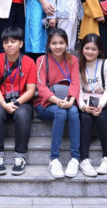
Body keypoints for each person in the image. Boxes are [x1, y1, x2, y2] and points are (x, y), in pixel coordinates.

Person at [0, 27, 37, 176]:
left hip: (22, 101)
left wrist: (16, 103)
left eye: (13, 41)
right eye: (6, 42)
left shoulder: (29, 62)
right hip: (0, 100)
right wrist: (3, 104)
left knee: (22, 115)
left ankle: (20, 157)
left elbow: (31, 90)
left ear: (21, 44)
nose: (9, 45)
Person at [35, 28, 81, 178]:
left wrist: (71, 101)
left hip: (68, 101)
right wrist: (58, 101)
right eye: (54, 43)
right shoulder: (41, 60)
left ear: (66, 43)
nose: (58, 46)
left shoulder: (73, 60)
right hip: (46, 104)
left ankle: (75, 158)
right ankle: (54, 159)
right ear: (49, 44)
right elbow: (41, 87)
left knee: (73, 111)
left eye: (61, 43)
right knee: (61, 112)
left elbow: (75, 83)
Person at [77, 33, 107, 177]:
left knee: (100, 117)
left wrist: (100, 104)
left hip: (105, 103)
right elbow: (78, 89)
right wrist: (83, 106)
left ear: (99, 50)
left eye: (94, 49)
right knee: (86, 117)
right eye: (87, 48)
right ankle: (84, 159)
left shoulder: (106, 63)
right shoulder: (78, 64)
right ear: (82, 48)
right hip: (85, 102)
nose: (90, 52)